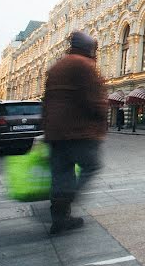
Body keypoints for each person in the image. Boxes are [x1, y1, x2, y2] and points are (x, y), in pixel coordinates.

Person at [42, 31, 108, 234]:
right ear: (89, 48)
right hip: (78, 130)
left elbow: (47, 100)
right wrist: (101, 119)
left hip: (55, 132)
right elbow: (93, 97)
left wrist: (46, 127)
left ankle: (60, 219)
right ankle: (67, 198)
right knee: (91, 166)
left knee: (62, 174)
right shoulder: (83, 65)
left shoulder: (56, 67)